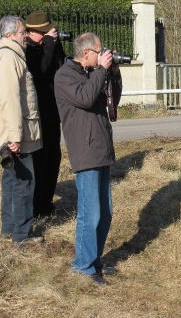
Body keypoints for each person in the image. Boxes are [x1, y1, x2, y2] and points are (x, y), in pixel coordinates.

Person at [54, 33, 122, 285]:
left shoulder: (92, 73)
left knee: (105, 213)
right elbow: (84, 98)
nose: (102, 55)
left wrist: (112, 73)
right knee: (89, 214)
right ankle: (82, 265)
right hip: (85, 151)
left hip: (102, 149)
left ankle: (95, 260)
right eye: (99, 51)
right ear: (85, 53)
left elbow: (112, 101)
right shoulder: (64, 76)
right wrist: (101, 72)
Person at [0, 15, 44, 248]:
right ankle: (22, 235)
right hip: (14, 134)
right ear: (10, 35)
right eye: (23, 32)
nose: (26, 36)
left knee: (11, 180)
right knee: (23, 182)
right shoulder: (10, 58)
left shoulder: (3, 55)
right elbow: (10, 100)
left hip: (9, 132)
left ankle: (8, 229)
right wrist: (15, 137)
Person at [25, 10, 66, 219]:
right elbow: (40, 71)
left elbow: (60, 65)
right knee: (39, 162)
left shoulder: (48, 45)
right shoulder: (28, 49)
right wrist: (48, 44)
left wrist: (55, 45)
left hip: (52, 113)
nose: (48, 35)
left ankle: (46, 202)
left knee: (53, 159)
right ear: (33, 32)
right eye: (44, 33)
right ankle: (36, 204)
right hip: (37, 114)